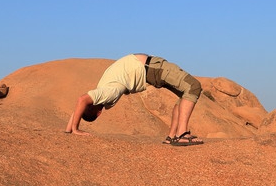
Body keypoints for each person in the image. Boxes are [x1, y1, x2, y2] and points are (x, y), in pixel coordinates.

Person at [65, 53, 204, 146]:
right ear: (98, 113)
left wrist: (69, 130)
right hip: (152, 68)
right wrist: (76, 129)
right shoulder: (109, 92)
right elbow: (81, 100)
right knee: (194, 87)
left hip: (149, 69)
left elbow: (81, 104)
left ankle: (172, 136)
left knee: (184, 94)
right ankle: (181, 134)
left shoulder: (102, 90)